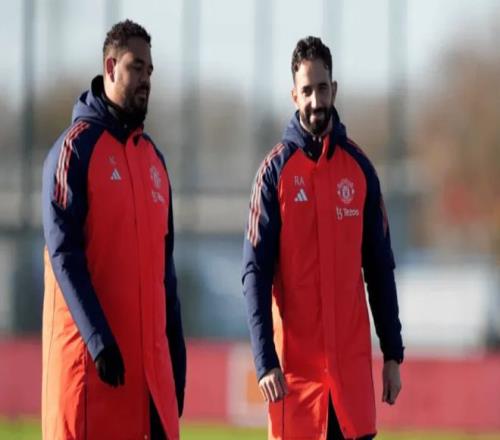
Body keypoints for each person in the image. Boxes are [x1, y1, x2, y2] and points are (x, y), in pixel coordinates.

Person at [242, 36, 404, 440]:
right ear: (294, 95)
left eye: (323, 88)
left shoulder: (360, 170)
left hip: (351, 384)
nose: (317, 100)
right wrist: (265, 361)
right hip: (294, 384)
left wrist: (392, 353)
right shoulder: (274, 173)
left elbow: (380, 269)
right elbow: (254, 274)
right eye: (307, 90)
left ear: (334, 88)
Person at [41, 20, 185, 440]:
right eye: (136, 67)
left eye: (150, 71)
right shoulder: (75, 150)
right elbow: (64, 255)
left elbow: (165, 276)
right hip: (91, 377)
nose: (146, 79)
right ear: (110, 67)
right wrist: (98, 340)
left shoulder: (154, 161)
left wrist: (176, 364)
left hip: (150, 389)